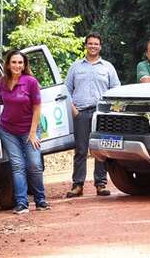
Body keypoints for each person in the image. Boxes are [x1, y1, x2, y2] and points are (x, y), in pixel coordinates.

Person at [65, 33, 121, 198]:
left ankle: (101, 184)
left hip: (102, 113)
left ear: (100, 46)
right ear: (85, 46)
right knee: (81, 149)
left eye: (96, 44)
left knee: (101, 149)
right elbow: (66, 89)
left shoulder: (108, 67)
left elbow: (116, 89)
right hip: (81, 112)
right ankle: (77, 185)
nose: (93, 46)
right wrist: (72, 108)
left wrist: (111, 111)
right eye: (90, 43)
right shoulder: (75, 67)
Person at [0, 50, 50, 214]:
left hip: (30, 129)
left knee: (34, 164)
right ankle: (22, 203)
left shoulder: (31, 82)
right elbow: (3, 103)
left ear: (24, 65)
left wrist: (33, 132)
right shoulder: (2, 82)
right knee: (18, 165)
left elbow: (37, 108)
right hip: (8, 130)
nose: (17, 65)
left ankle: (40, 200)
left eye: (20, 63)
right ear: (8, 64)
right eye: (14, 62)